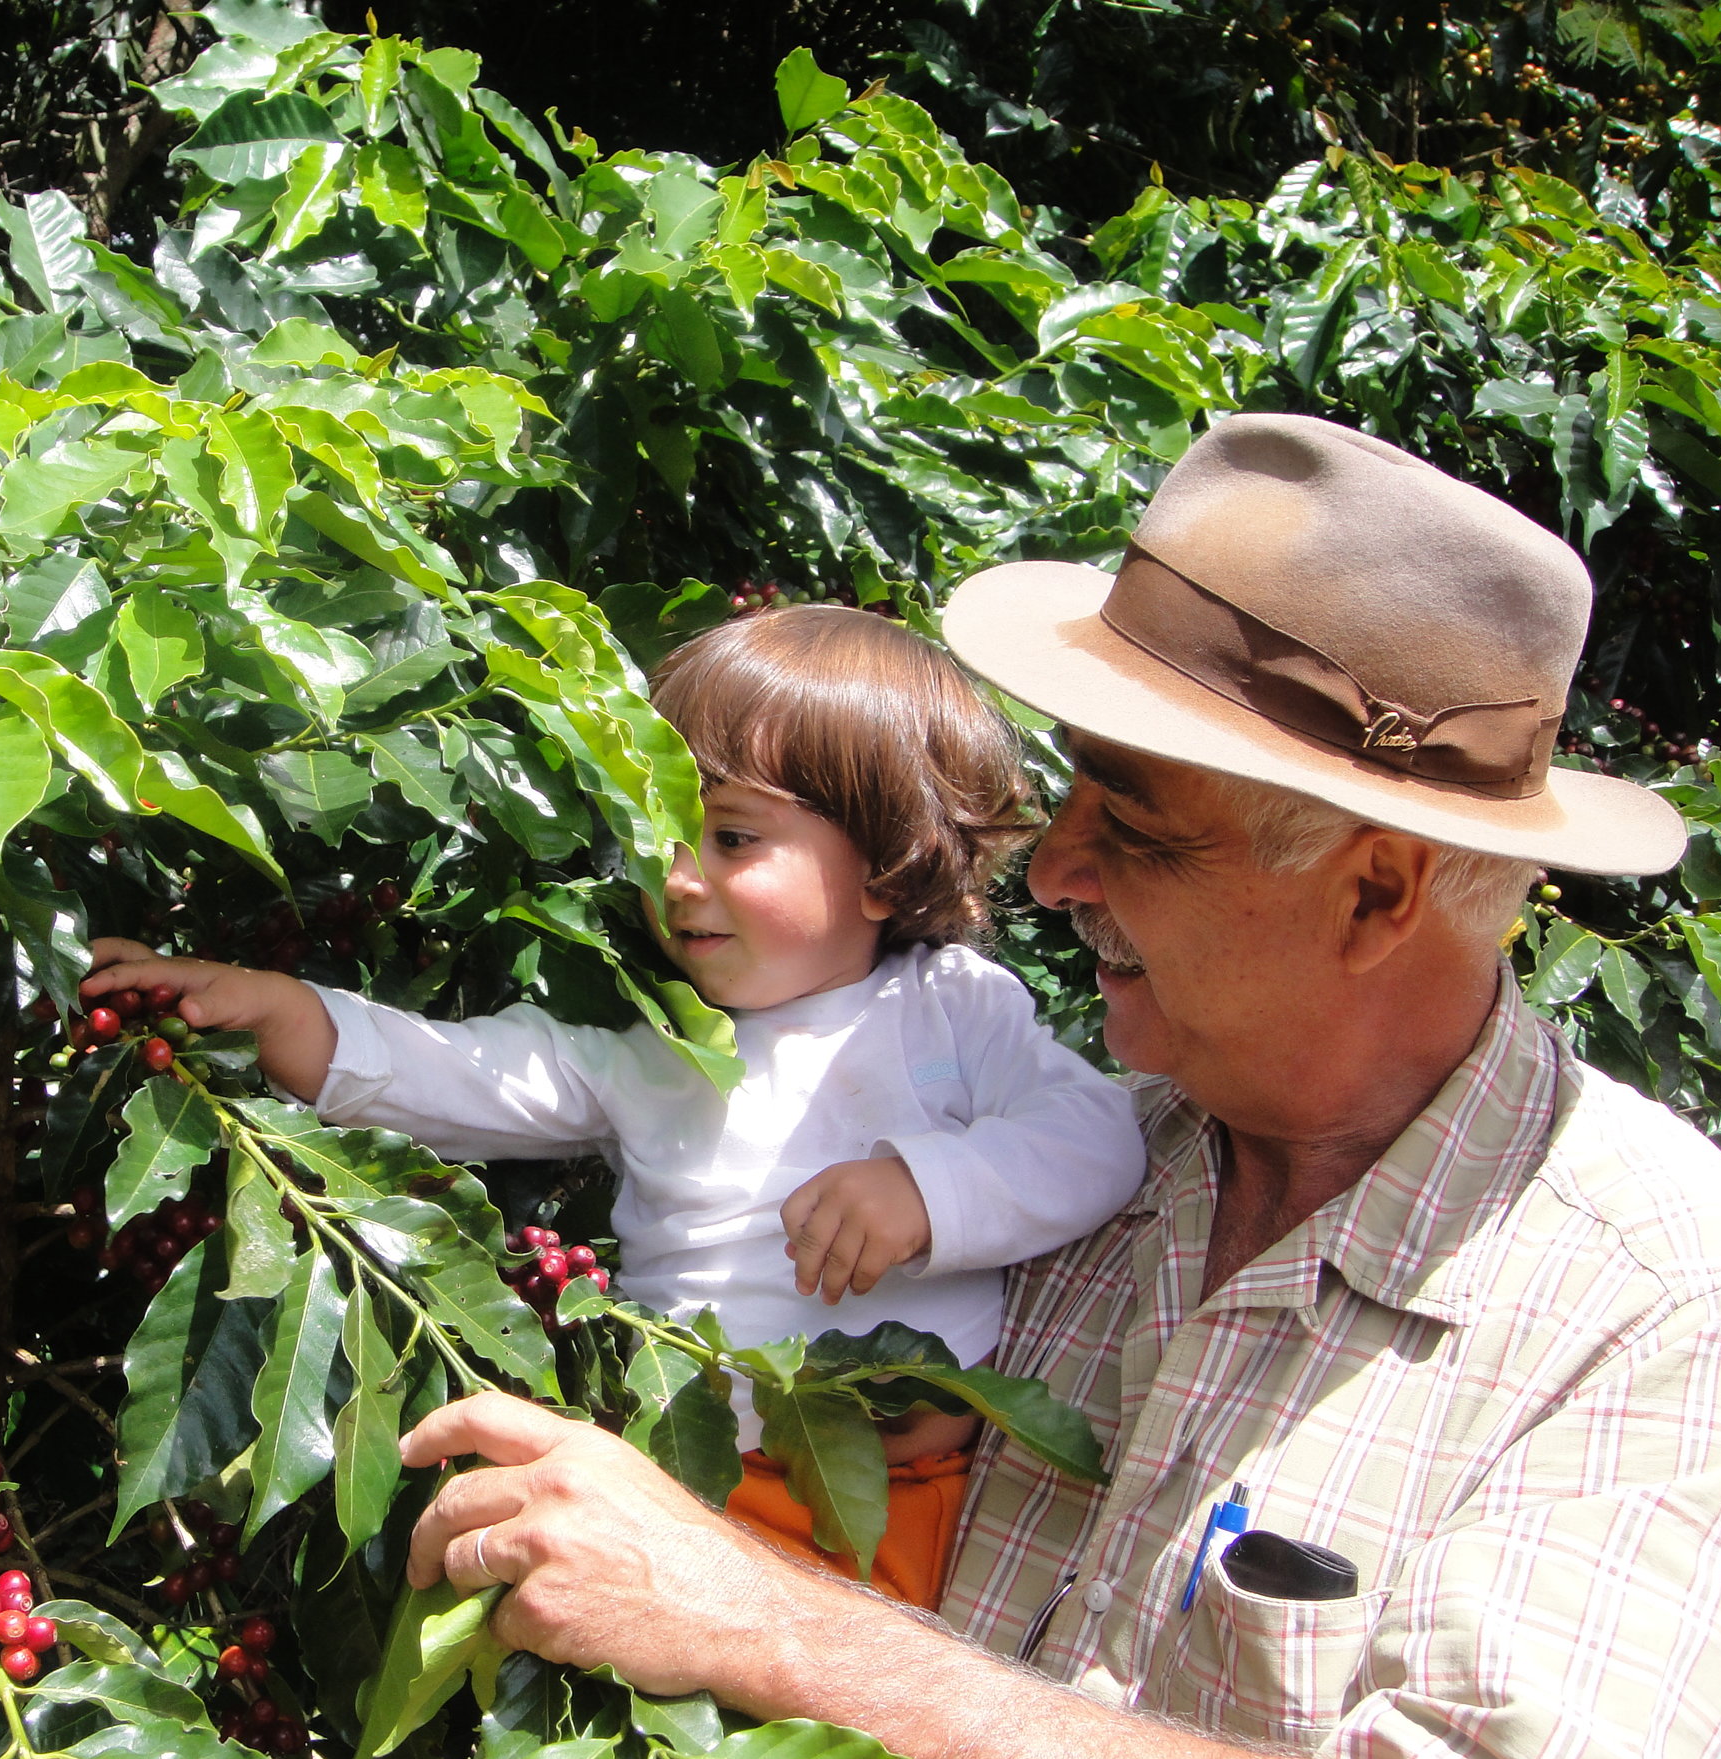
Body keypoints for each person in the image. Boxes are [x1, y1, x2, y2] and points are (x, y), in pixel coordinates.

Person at [393, 415, 1721, 1759]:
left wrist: (763, 1618)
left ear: (1378, 892)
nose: (1050, 869)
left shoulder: (1669, 1309)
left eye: (1142, 824)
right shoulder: (1074, 1165)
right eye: (1073, 789)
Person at [84, 607, 1145, 1605]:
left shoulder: (949, 1009)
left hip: (915, 1511)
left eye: (731, 838)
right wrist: (277, 1010)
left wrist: (930, 1187)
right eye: (660, 831)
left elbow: (1094, 1137)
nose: (678, 875)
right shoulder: (652, 1039)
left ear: (887, 867)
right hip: (691, 1497)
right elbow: (453, 1073)